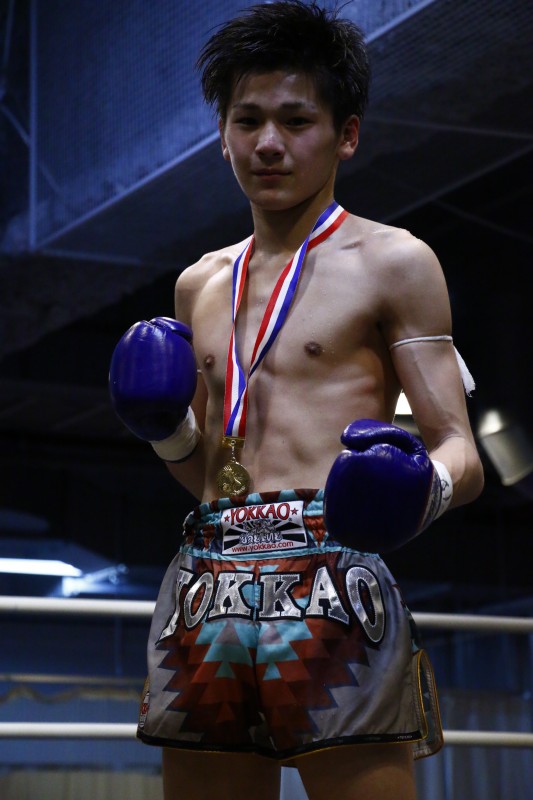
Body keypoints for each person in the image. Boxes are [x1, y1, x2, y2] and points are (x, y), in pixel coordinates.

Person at [109, 2, 484, 798]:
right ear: (222, 135)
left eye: (295, 120)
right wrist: (164, 431)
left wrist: (418, 486)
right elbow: (209, 473)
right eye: (247, 120)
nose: (268, 143)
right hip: (207, 573)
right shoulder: (198, 283)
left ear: (345, 135)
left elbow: (462, 450)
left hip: (331, 571)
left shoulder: (394, 262)